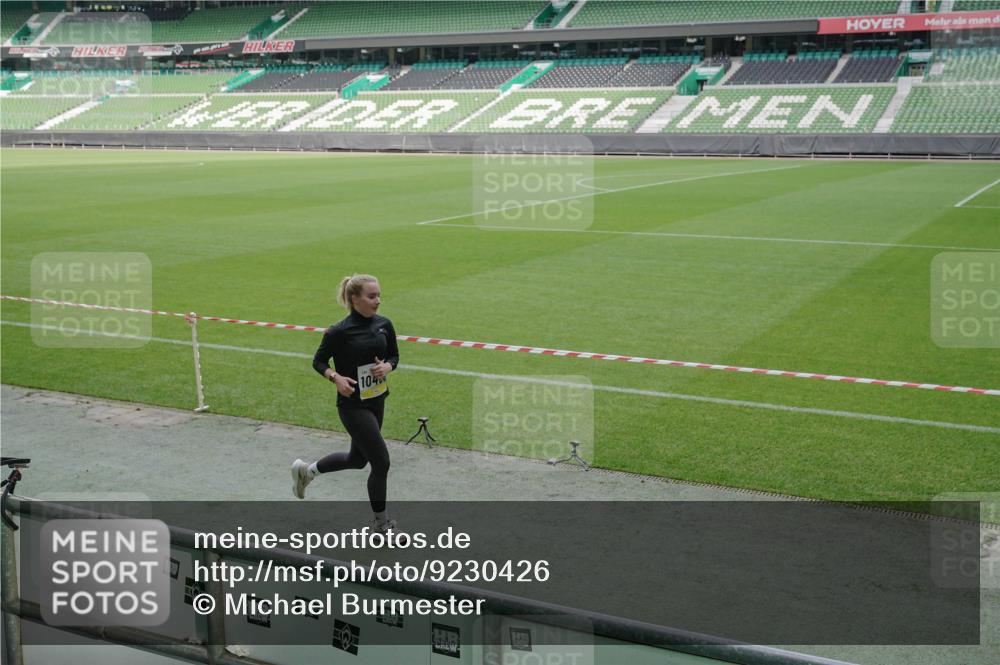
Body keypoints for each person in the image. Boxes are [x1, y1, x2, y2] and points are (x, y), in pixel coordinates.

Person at [291, 274, 400, 534]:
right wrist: (335, 377)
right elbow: (318, 361)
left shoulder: (384, 324)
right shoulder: (338, 331)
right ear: (354, 299)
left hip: (376, 400)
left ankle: (307, 471)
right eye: (371, 296)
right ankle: (381, 524)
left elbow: (394, 355)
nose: (378, 301)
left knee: (358, 459)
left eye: (379, 295)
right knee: (381, 462)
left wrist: (388, 366)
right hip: (352, 405)